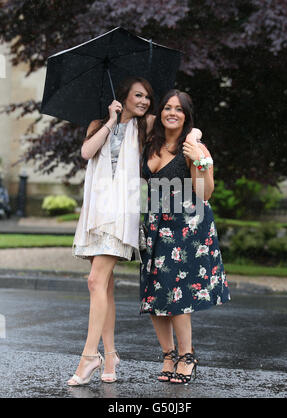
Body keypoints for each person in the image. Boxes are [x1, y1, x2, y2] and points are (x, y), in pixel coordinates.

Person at [68, 78, 202, 386]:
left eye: (147, 97)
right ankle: (111, 356)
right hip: (95, 212)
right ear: (124, 96)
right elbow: (87, 153)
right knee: (105, 287)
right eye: (138, 96)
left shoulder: (146, 125)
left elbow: (179, 120)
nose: (144, 101)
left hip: (122, 212)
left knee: (94, 281)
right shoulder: (98, 124)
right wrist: (111, 121)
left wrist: (195, 134)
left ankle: (90, 356)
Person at [140, 89, 230, 384]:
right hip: (154, 223)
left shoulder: (194, 147)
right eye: (167, 107)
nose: (172, 113)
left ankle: (187, 356)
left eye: (179, 109)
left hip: (185, 226)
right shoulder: (151, 140)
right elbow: (140, 114)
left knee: (177, 293)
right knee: (154, 294)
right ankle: (168, 355)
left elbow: (206, 192)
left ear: (186, 116)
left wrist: (197, 156)